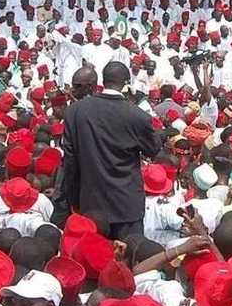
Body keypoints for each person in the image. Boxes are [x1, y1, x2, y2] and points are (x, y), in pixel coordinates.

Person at [62, 60, 162, 239]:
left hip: (90, 203)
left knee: (94, 259)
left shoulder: (75, 111)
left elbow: (70, 161)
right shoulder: (137, 116)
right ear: (126, 82)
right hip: (127, 206)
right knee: (128, 260)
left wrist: (73, 198)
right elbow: (153, 150)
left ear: (103, 80)